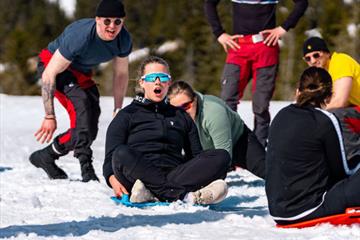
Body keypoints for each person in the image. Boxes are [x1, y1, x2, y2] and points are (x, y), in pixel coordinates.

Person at [103, 56, 230, 204]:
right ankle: (181, 195)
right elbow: (111, 157)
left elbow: (195, 156)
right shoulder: (126, 115)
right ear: (142, 82)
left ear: (168, 82)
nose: (157, 81)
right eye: (151, 77)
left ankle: (152, 193)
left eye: (162, 77)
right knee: (121, 152)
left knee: (221, 156)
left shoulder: (180, 116)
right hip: (137, 175)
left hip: (173, 174)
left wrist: (204, 172)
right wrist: (112, 179)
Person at [29, 0, 132, 182]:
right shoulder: (81, 36)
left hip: (80, 73)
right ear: (97, 19)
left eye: (118, 22)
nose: (112, 26)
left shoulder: (123, 39)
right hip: (53, 66)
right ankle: (86, 167)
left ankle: (46, 156)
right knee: (82, 105)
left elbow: (121, 74)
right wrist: (49, 116)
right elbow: (49, 74)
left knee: (89, 128)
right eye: (107, 21)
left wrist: (117, 107)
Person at [204, 0, 308, 146]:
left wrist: (283, 28)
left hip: (266, 47)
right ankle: (228, 147)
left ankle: (259, 149)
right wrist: (219, 33)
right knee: (228, 99)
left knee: (261, 105)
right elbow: (209, 3)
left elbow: (302, 3)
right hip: (238, 46)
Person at [265, 67, 360, 225]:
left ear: (298, 92)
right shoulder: (325, 120)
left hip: (278, 210)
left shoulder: (281, 115)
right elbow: (342, 172)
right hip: (311, 208)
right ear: (329, 97)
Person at [167, 81, 265, 179]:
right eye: (176, 109)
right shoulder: (170, 116)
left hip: (238, 143)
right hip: (204, 152)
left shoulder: (213, 112)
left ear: (195, 99)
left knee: (270, 172)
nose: (182, 112)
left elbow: (223, 157)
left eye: (186, 106)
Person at [302, 36, 360, 170]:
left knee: (335, 115)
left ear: (327, 53)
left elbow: (340, 101)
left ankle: (355, 160)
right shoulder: (323, 75)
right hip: (355, 111)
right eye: (308, 58)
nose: (313, 61)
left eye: (316, 55)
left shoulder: (340, 61)